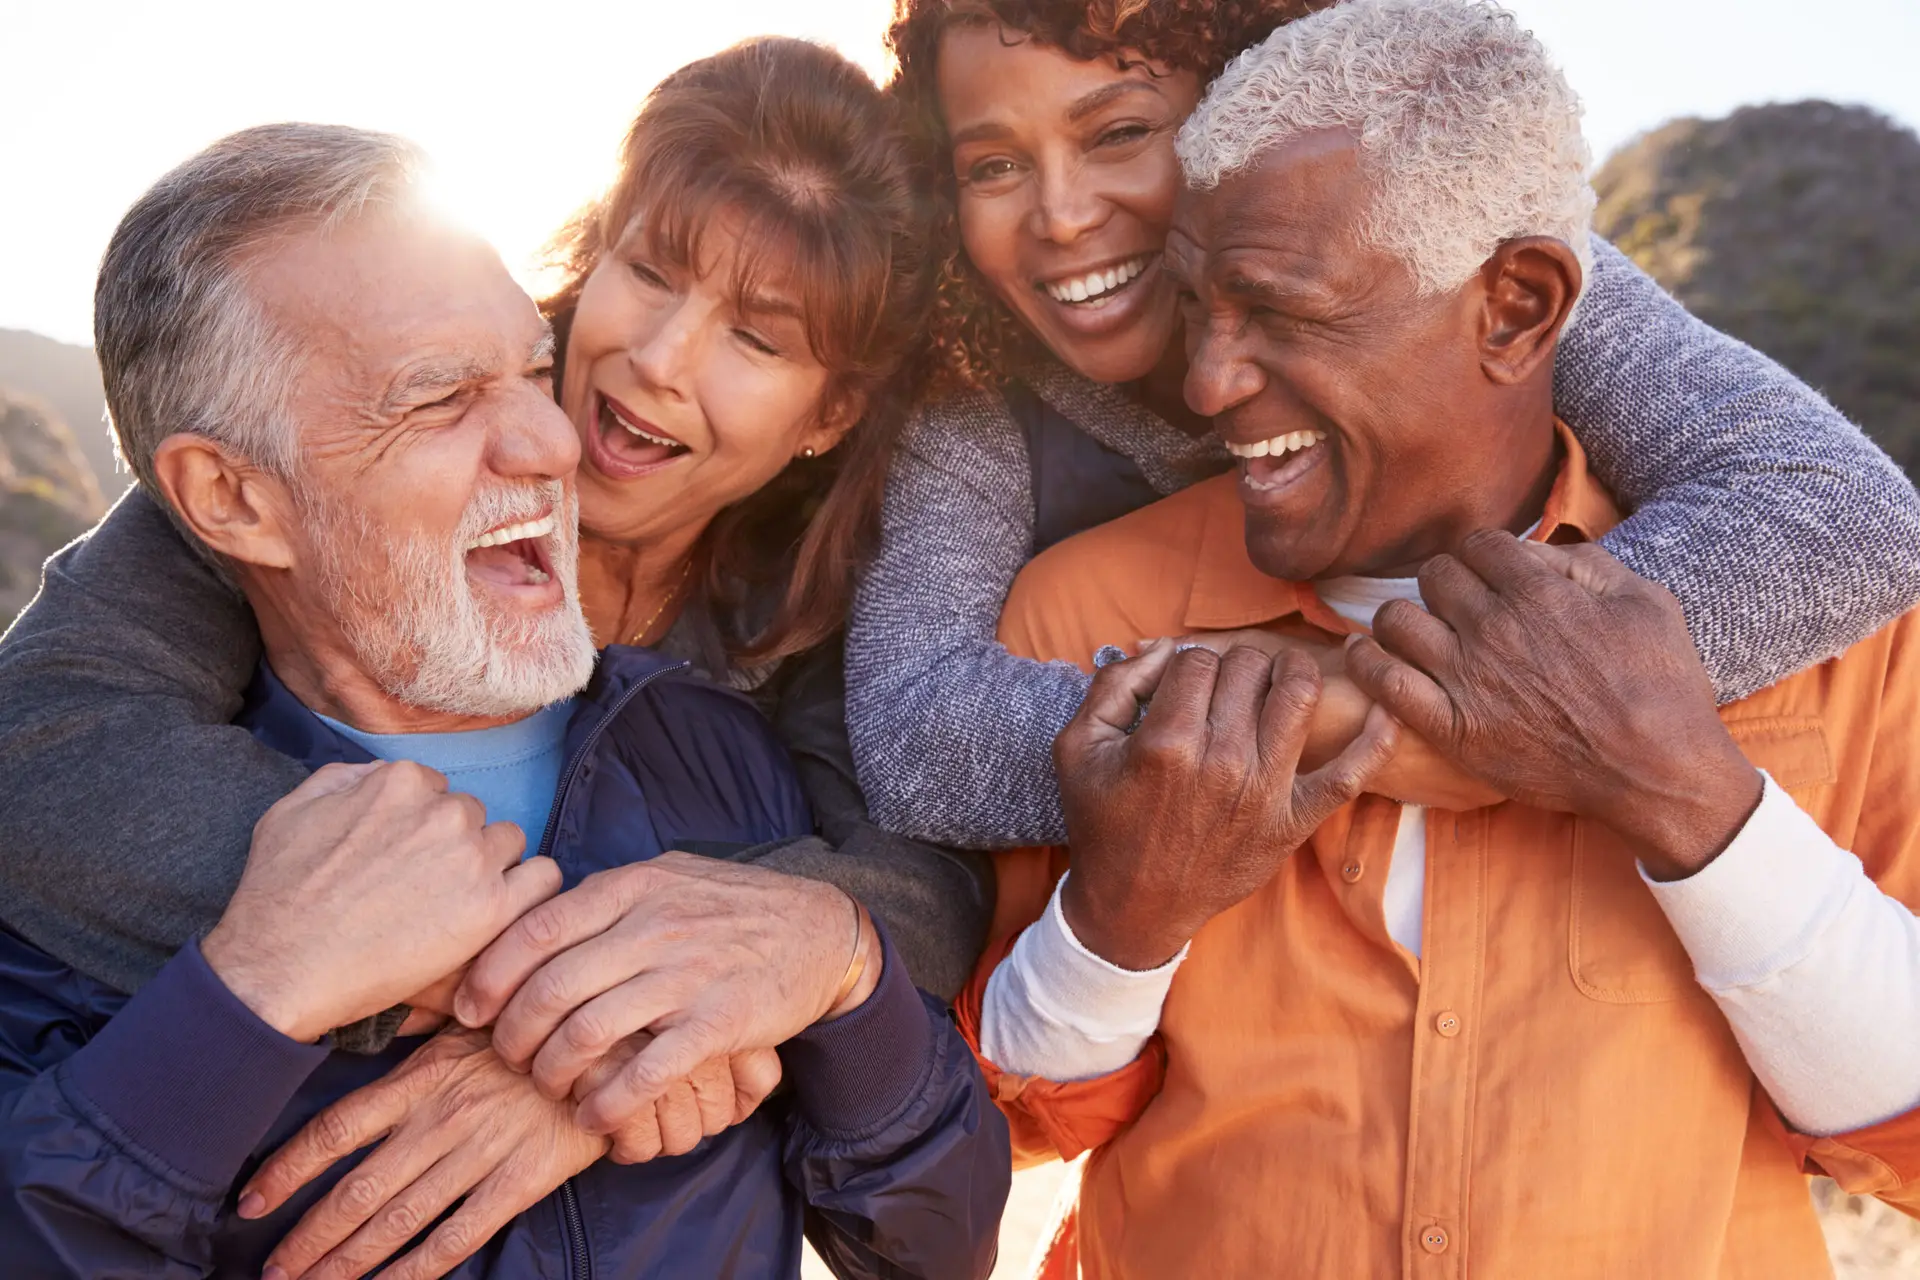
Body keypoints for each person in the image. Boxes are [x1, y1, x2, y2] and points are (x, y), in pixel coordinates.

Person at [960, 3, 1920, 1276]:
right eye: (1202, 306)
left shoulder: (1832, 625)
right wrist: (1127, 916)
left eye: (1281, 311)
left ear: (1517, 307)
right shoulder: (1077, 617)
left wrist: (1688, 799)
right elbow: (1003, 1123)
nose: (1205, 381)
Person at [0, 121, 1008, 1279]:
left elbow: (940, 1227)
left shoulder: (749, 734)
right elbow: (39, 732)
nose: (556, 435)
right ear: (231, 499)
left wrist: (830, 960)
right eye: (442, 399)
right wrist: (264, 990)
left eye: (759, 337)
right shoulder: (90, 843)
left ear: (830, 415)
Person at [844, 0, 1920, 851]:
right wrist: (1338, 700)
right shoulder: (976, 394)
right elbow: (915, 734)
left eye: (1122, 133)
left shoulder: (1457, 254)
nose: (1064, 214)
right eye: (991, 164)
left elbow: (1835, 508)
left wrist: (1446, 690)